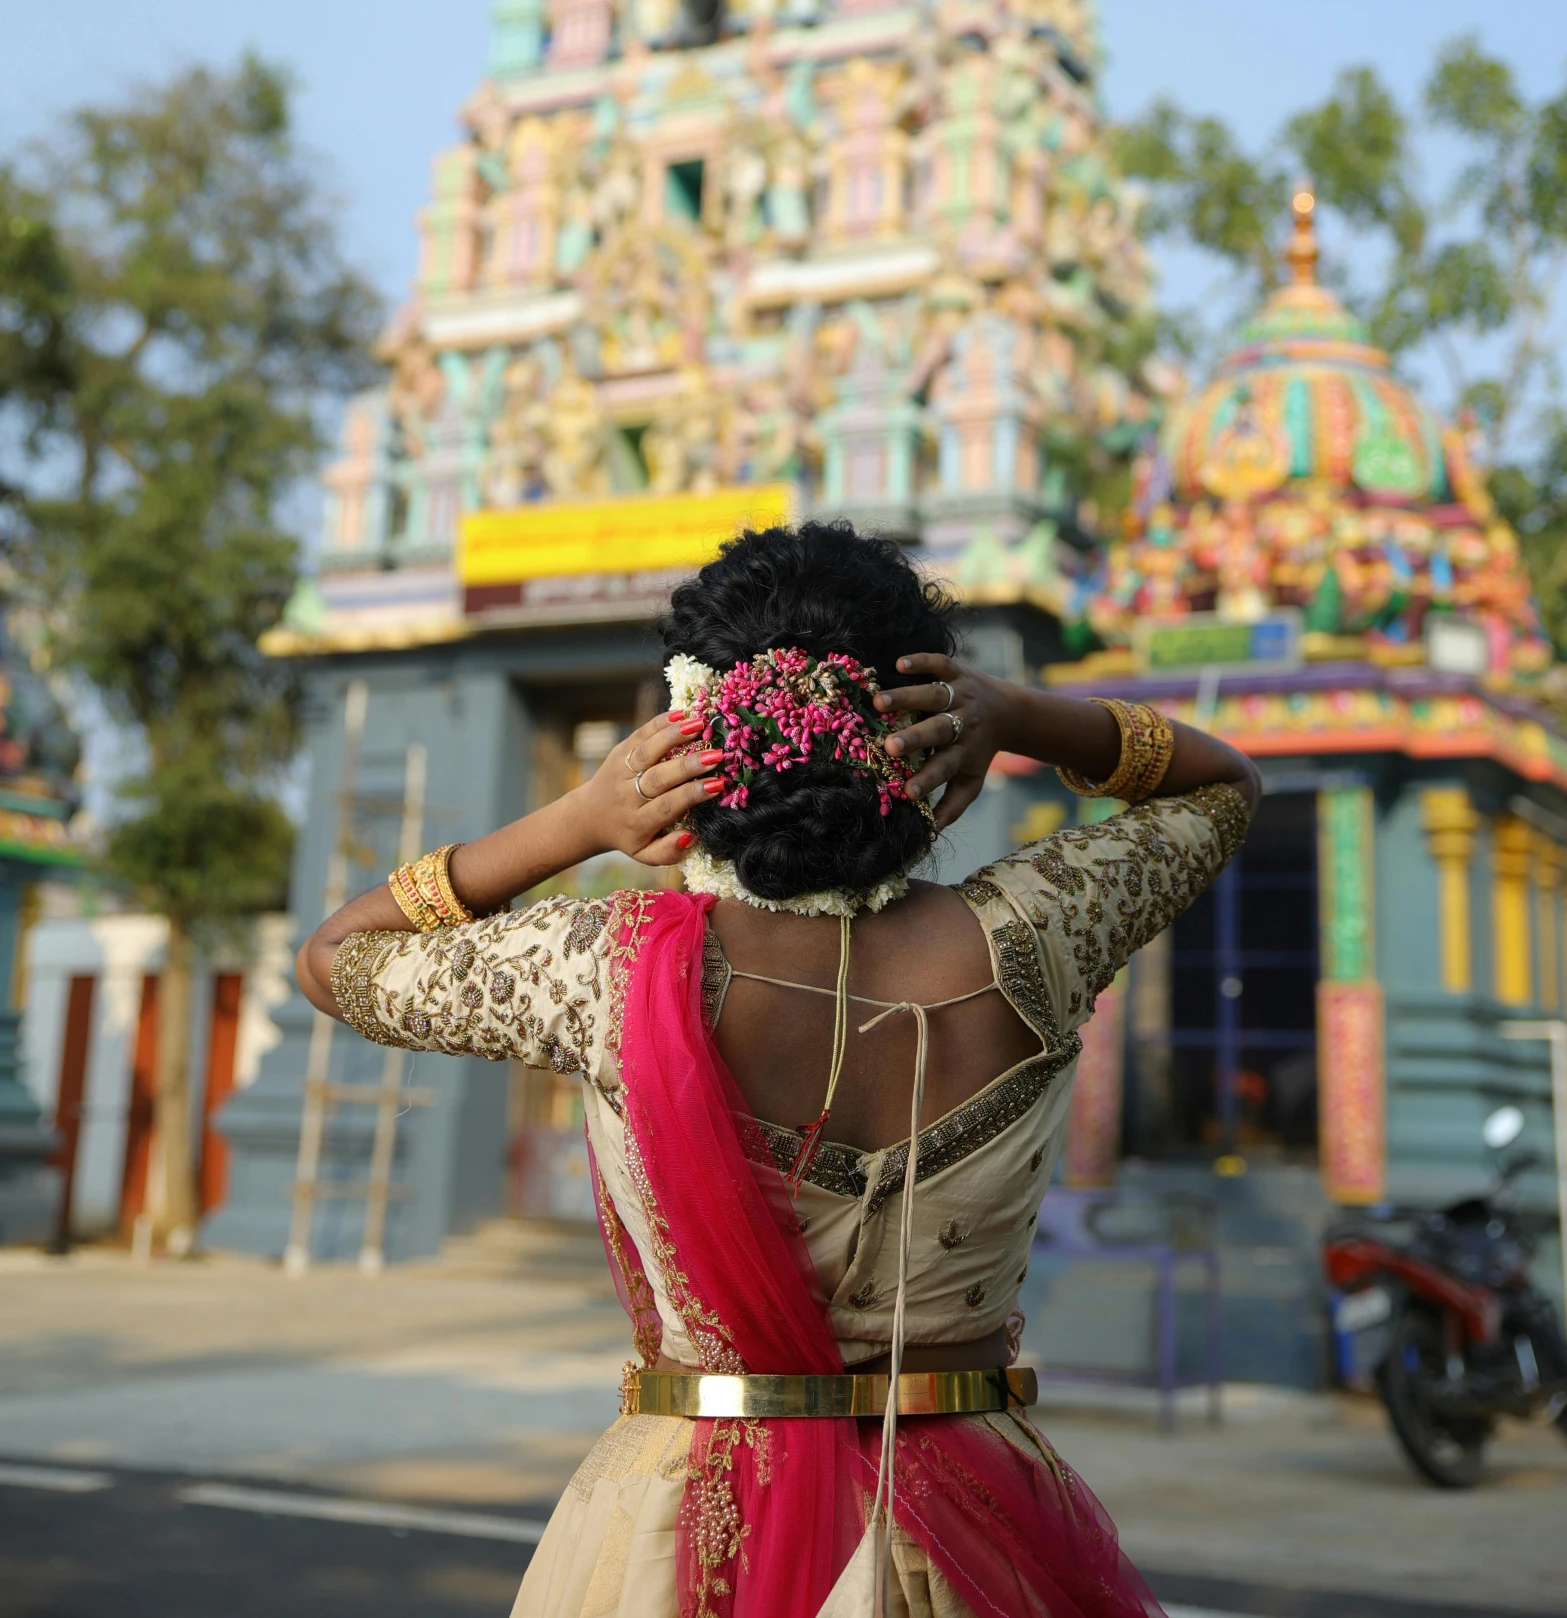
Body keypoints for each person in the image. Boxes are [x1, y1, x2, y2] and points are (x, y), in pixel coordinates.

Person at [297, 523, 1260, 1618]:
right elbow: (1221, 787)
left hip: (681, 1532)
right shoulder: (1039, 933)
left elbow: (335, 958)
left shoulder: (602, 972)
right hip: (976, 1534)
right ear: (927, 726)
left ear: (691, 730)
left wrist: (579, 818)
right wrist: (1019, 714)